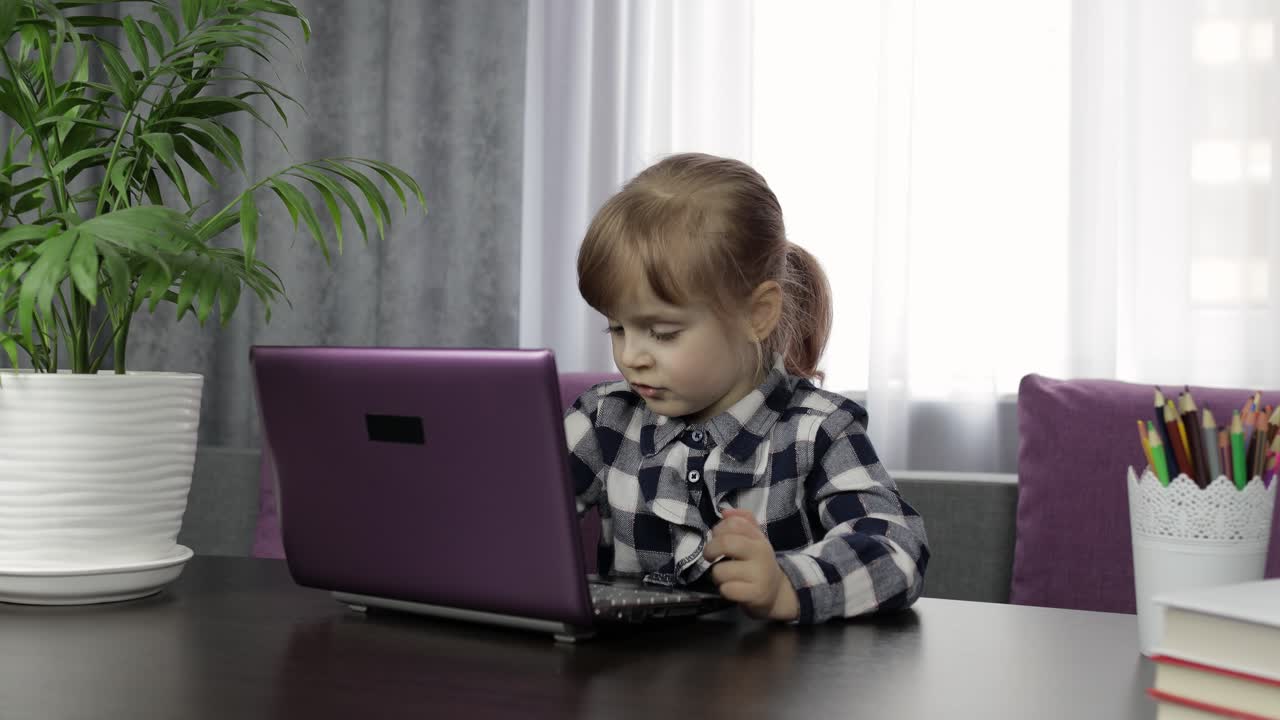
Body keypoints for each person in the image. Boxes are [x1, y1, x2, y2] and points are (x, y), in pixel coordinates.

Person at [563, 152, 929, 624]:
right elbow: (509, 518)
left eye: (663, 333)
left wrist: (785, 584)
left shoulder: (818, 433)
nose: (631, 356)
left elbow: (896, 550)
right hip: (632, 684)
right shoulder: (601, 420)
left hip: (775, 690)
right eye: (616, 329)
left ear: (757, 314)